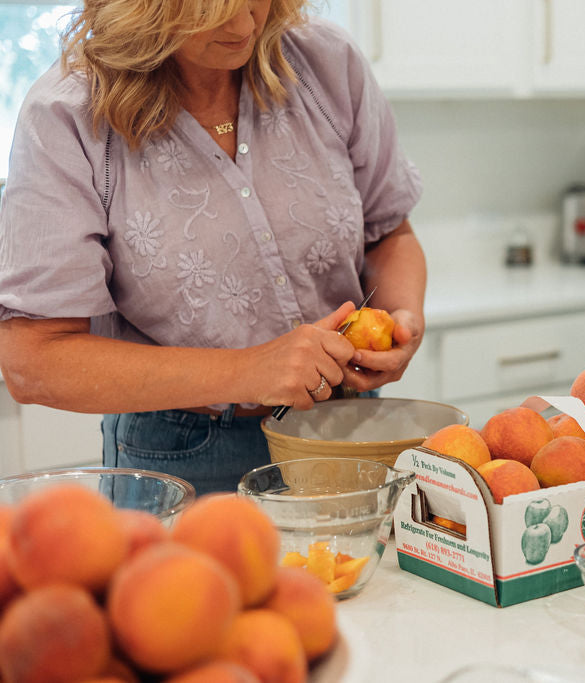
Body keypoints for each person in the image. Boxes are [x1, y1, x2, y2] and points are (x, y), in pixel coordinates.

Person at [0, 0, 426, 494]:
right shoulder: (68, 113)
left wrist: (403, 315)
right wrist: (250, 371)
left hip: (345, 431)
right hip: (181, 453)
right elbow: (33, 362)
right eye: (211, 11)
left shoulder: (326, 63)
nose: (246, 25)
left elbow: (390, 232)